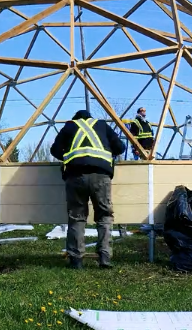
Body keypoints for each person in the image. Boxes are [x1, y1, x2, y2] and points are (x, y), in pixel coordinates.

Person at [50, 109, 125, 269]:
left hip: (75, 176)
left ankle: (76, 260)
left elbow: (54, 150)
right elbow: (120, 147)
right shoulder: (102, 125)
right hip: (101, 176)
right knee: (104, 216)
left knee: (77, 217)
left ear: (76, 119)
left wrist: (69, 158)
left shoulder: (69, 126)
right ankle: (105, 258)